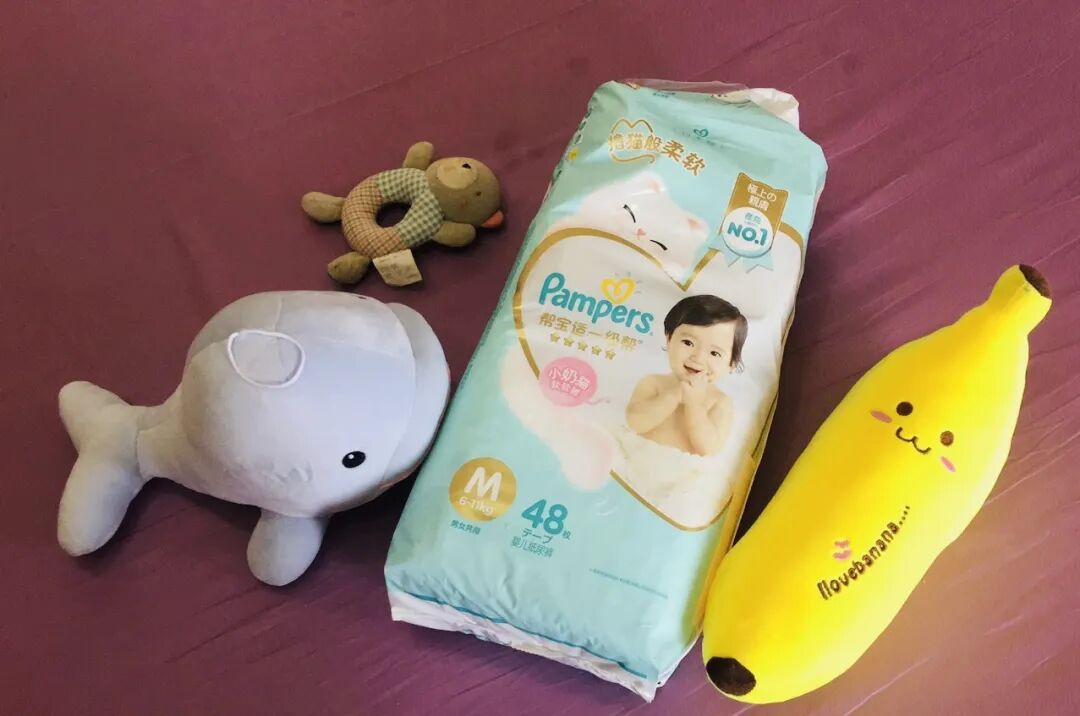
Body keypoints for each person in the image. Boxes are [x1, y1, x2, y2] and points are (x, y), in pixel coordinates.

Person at [625, 295, 747, 456]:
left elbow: (708, 449)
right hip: (636, 455)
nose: (698, 357)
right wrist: (673, 395)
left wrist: (695, 405)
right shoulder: (653, 383)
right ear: (669, 339)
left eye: (714, 353)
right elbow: (634, 423)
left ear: (731, 364)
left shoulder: (720, 402)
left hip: (682, 467)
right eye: (688, 343)